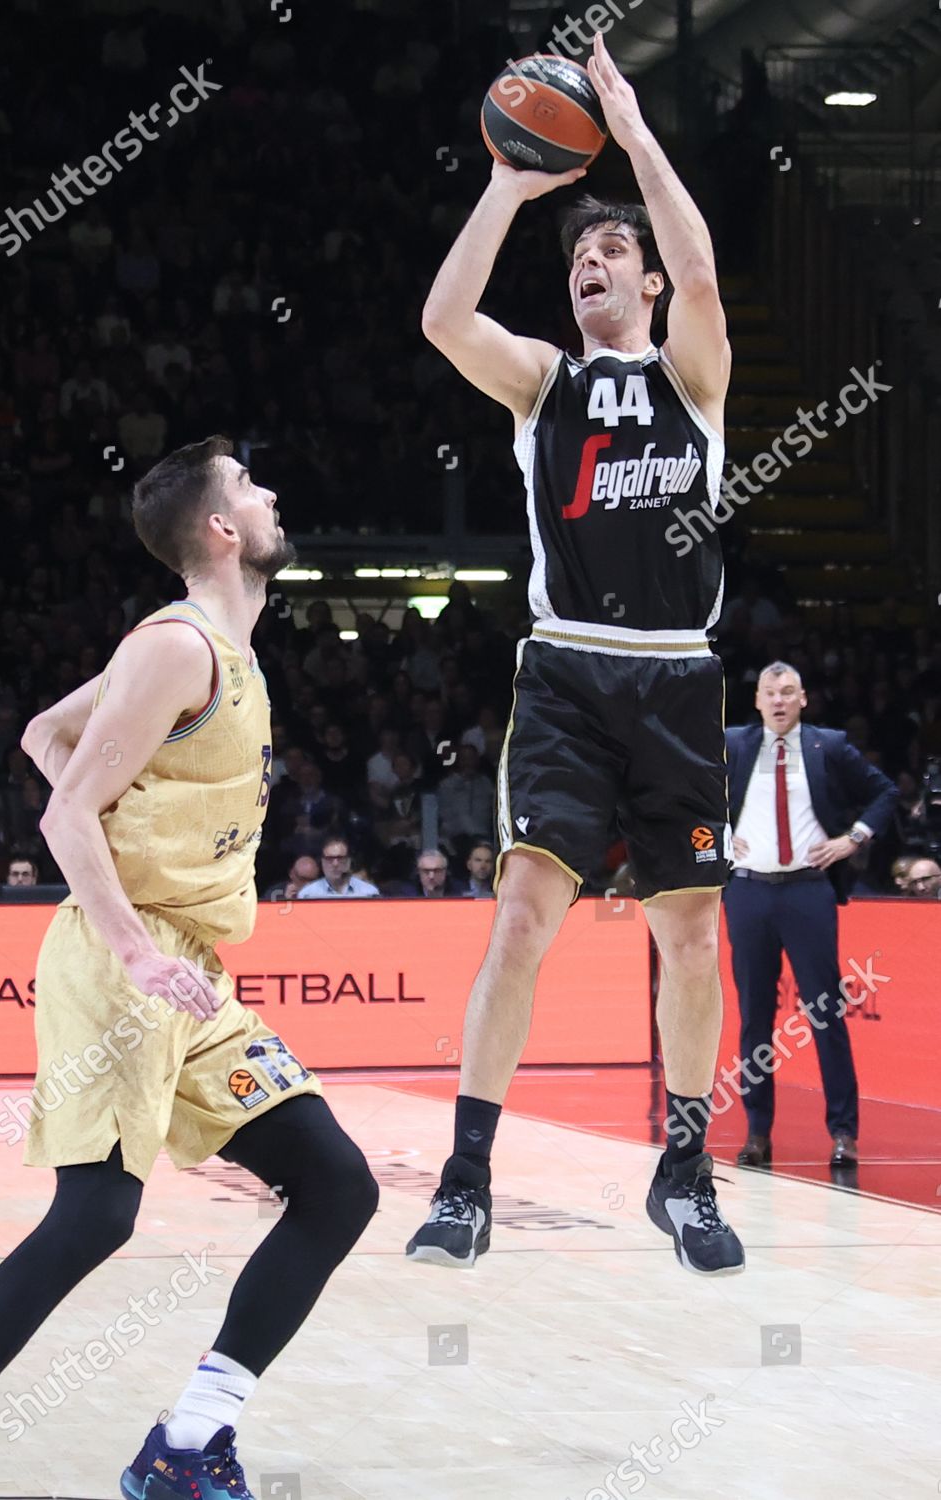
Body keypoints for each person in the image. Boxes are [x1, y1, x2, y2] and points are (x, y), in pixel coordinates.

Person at [0, 437, 378, 1496]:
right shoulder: (176, 647)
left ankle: (187, 1443)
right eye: (251, 487)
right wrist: (133, 941)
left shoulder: (220, 653)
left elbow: (49, 736)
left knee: (336, 1185)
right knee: (96, 1214)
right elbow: (61, 807)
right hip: (122, 963)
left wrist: (125, 824)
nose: (273, 494)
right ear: (224, 530)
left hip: (190, 976)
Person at [406, 34, 744, 1276]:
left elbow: (702, 271)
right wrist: (511, 179)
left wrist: (634, 131)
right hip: (566, 672)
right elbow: (443, 318)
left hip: (677, 677)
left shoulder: (693, 379)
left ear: (648, 287)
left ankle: (688, 1169)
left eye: (614, 254)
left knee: (695, 933)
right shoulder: (544, 386)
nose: (593, 266)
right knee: (522, 917)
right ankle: (467, 1176)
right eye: (582, 258)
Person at [724, 662, 898, 1170]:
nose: (779, 701)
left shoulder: (829, 745)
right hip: (749, 892)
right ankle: (758, 1132)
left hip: (807, 892)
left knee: (825, 1013)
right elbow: (687, 796)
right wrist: (714, 833)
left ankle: (844, 1132)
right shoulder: (733, 745)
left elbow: (884, 792)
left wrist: (854, 838)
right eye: (770, 693)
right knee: (755, 1017)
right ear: (756, 701)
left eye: (788, 692)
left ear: (804, 699)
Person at [298, 836, 379, 898]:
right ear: (322, 862)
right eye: (329, 859)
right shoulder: (307, 895)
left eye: (340, 858)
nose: (335, 864)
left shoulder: (369, 893)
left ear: (348, 861)